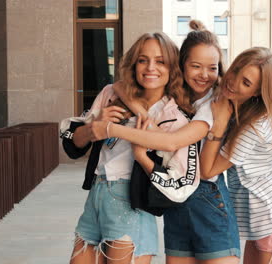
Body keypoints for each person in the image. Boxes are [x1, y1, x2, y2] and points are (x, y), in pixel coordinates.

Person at [94, 20, 241, 264]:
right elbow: (122, 87)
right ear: (181, 66)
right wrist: (134, 106)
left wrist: (111, 129)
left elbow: (171, 143)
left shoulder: (215, 103)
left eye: (212, 68)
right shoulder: (179, 96)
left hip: (207, 200)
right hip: (174, 200)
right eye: (195, 66)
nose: (204, 75)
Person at [63, 31, 194, 264]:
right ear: (134, 64)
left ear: (172, 67)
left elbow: (180, 182)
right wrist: (95, 124)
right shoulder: (111, 94)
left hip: (131, 203)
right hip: (96, 196)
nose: (150, 67)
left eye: (160, 61)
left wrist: (142, 155)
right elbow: (73, 143)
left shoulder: (175, 116)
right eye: (143, 60)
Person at [200, 47, 272, 264]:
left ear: (258, 92)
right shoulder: (240, 107)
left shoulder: (255, 127)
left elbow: (207, 170)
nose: (233, 82)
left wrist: (219, 126)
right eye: (237, 70)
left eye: (246, 83)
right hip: (262, 219)